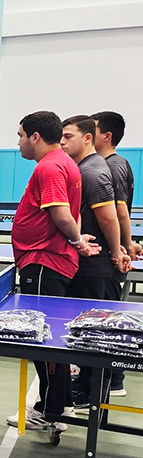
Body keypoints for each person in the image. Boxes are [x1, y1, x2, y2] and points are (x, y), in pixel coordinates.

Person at [6, 111, 98, 430]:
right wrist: (77, 239)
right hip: (49, 259)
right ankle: (62, 405)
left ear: (35, 137)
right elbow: (71, 211)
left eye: (20, 136)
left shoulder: (49, 166)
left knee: (42, 339)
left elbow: (61, 213)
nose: (18, 142)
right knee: (50, 339)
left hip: (44, 261)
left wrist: (76, 240)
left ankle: (50, 411)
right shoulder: (65, 163)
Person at [60, 115, 125, 411]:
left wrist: (116, 252)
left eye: (68, 136)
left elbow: (109, 217)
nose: (62, 142)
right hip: (87, 262)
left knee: (91, 331)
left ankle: (88, 391)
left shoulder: (93, 171)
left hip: (93, 264)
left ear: (88, 138)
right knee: (84, 329)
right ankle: (86, 383)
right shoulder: (84, 168)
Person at [91, 110, 134, 397]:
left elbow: (119, 212)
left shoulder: (112, 165)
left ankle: (114, 379)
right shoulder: (112, 164)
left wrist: (123, 247)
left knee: (108, 317)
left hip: (108, 256)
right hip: (110, 252)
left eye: (92, 130)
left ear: (106, 136)